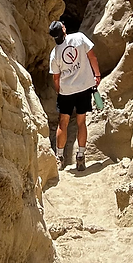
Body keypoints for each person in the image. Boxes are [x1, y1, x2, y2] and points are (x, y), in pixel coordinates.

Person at [48, 20, 101, 172]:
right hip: (84, 87)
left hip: (66, 91)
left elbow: (56, 78)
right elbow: (92, 57)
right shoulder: (79, 37)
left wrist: (59, 91)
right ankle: (81, 156)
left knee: (63, 123)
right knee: (81, 121)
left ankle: (59, 158)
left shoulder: (55, 53)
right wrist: (96, 74)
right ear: (64, 29)